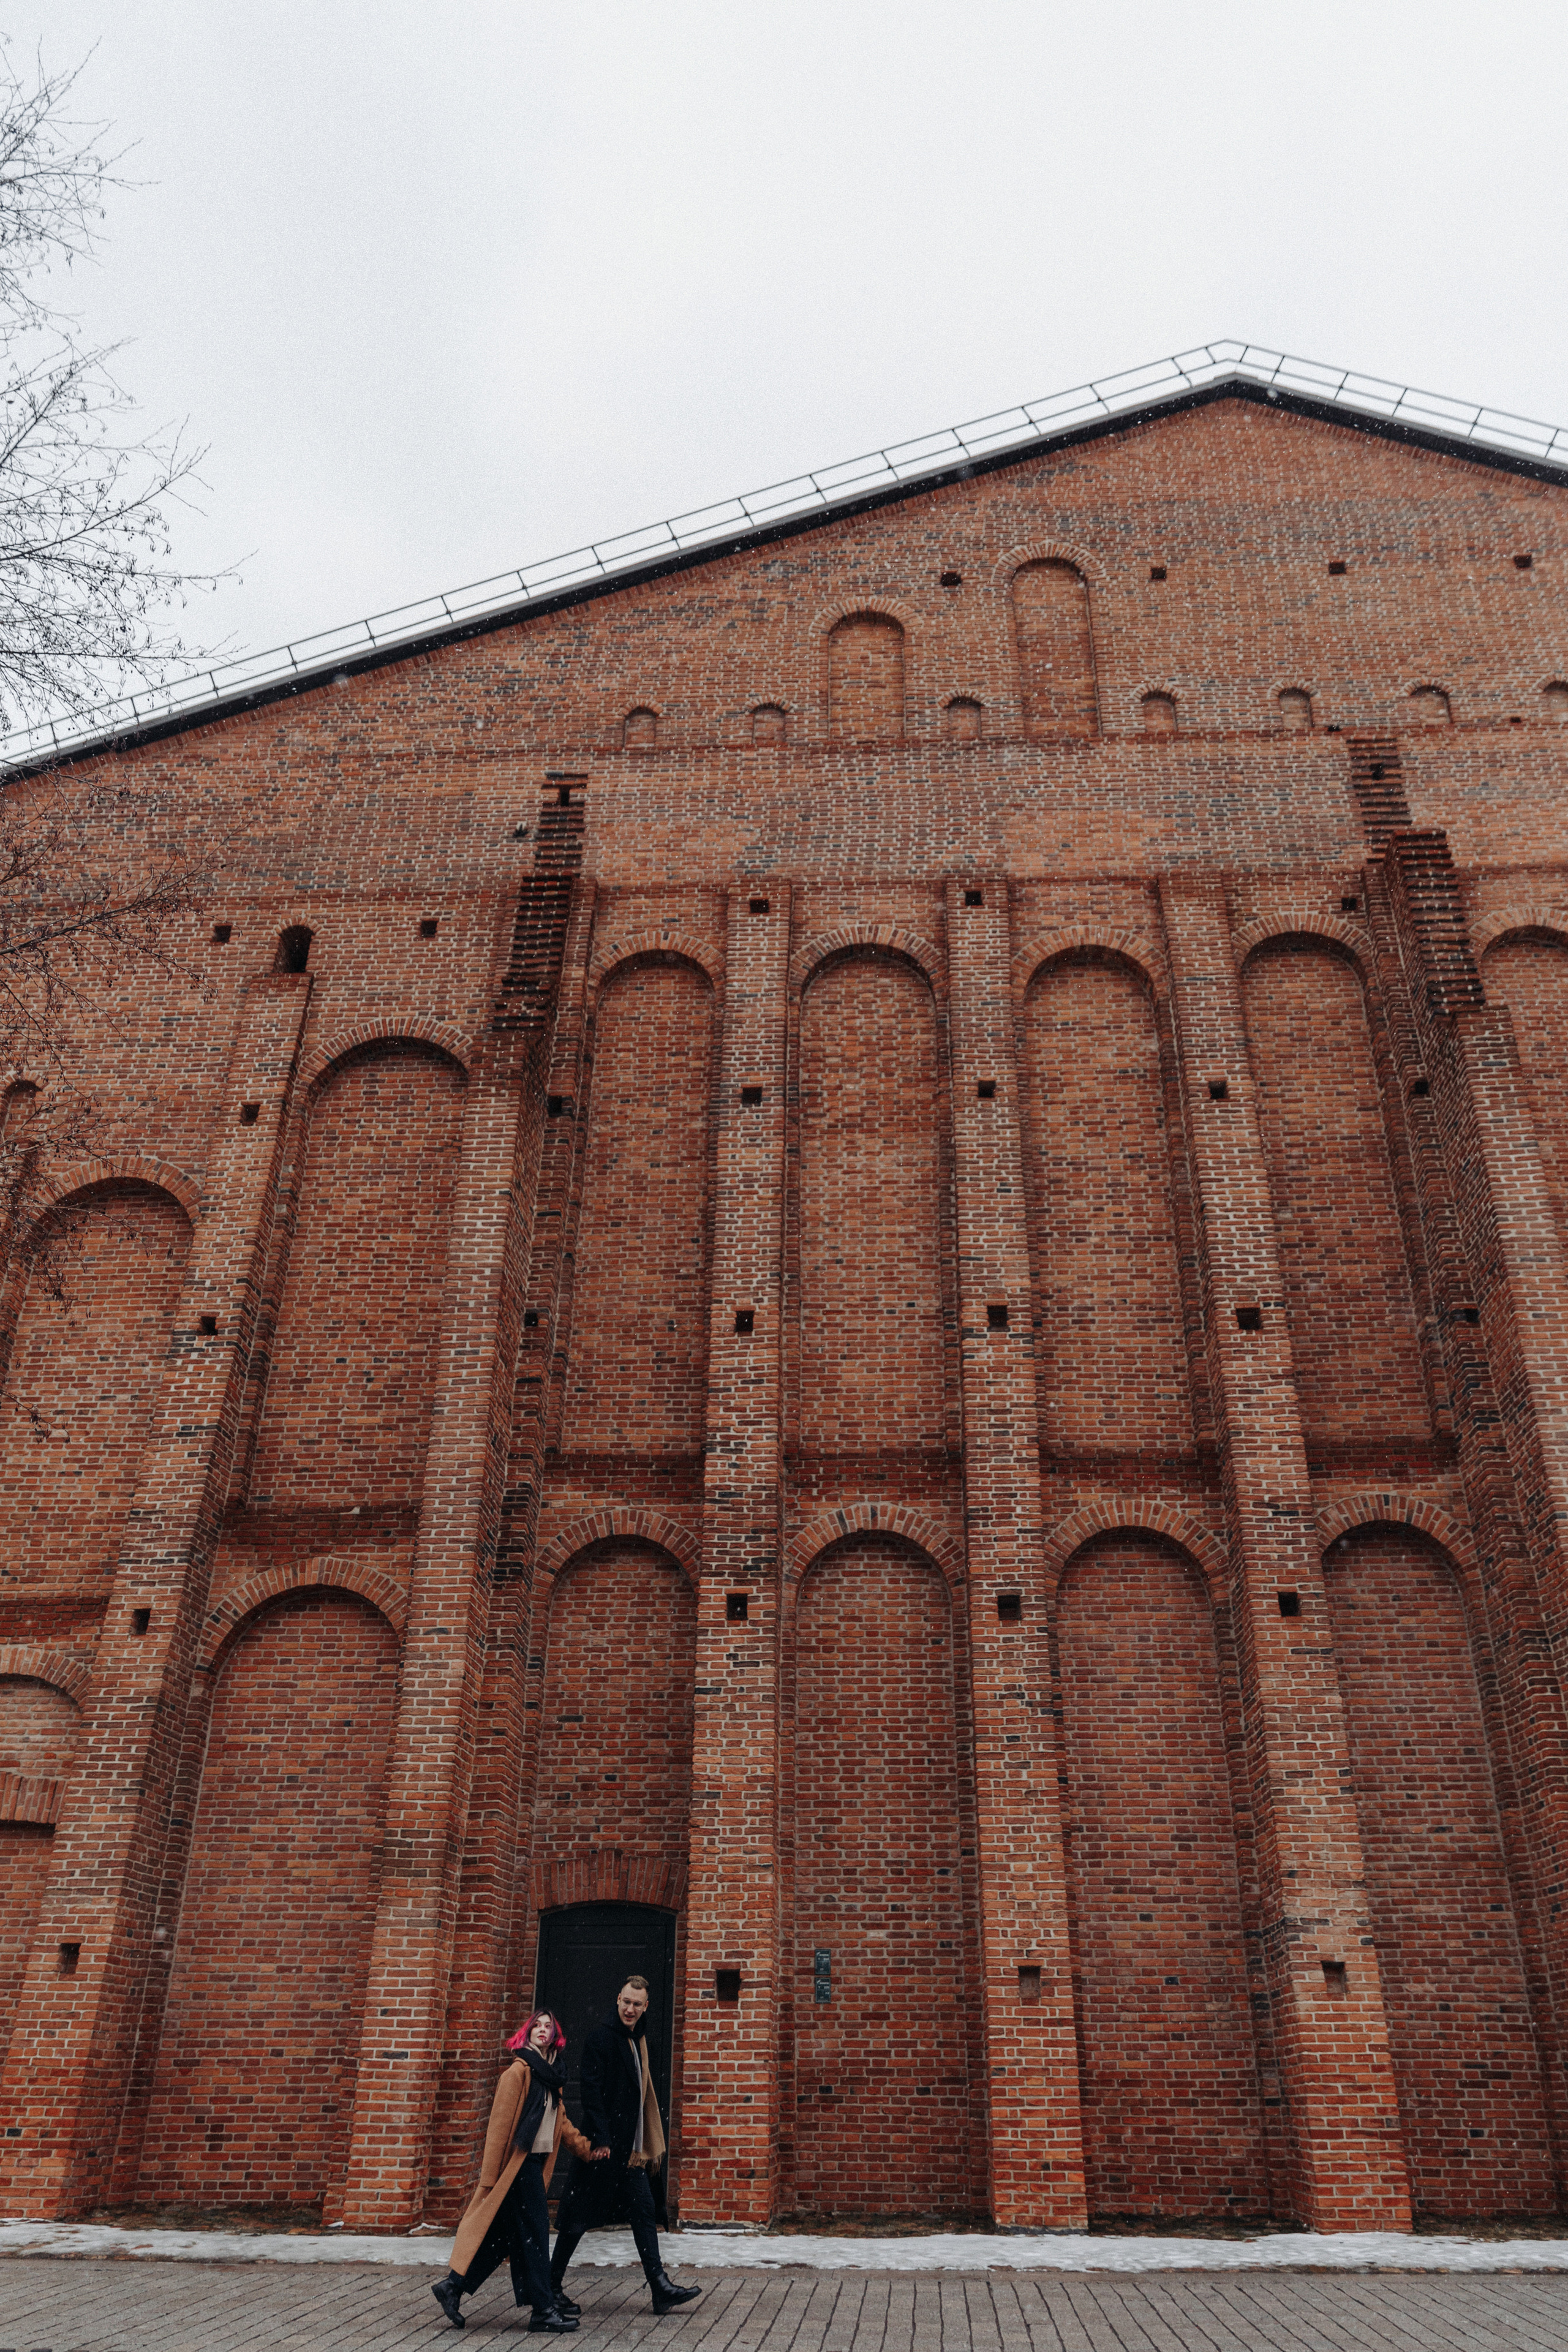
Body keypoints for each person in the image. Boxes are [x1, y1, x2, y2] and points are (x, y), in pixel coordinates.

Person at [432, 2009, 596, 2333]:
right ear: (527, 2032)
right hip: (517, 2169)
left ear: (555, 2036)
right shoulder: (518, 2073)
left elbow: (561, 2126)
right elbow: (498, 2129)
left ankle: (453, 2287)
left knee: (505, 2237)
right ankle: (543, 2309)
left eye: (548, 2026)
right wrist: (491, 2180)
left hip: (532, 2166)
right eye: (536, 2025)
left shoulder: (552, 2075)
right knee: (536, 2235)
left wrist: (591, 2151)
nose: (542, 2029)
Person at [550, 1976, 702, 2319]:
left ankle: (659, 2287)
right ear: (617, 1999)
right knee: (576, 2219)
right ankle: (550, 2285)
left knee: (643, 2211)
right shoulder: (602, 2038)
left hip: (632, 2152)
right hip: (605, 2149)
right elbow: (589, 2090)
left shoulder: (639, 2040)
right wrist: (601, 2139)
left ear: (646, 2006)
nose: (630, 2009)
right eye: (626, 2002)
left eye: (637, 2004)